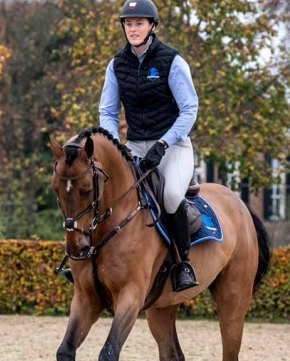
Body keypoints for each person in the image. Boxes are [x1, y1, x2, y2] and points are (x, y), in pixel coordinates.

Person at [99, 0, 199, 291]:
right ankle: (86, 261)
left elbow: (189, 110)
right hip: (134, 146)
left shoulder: (172, 61)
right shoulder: (116, 64)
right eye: (129, 24)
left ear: (152, 26)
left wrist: (164, 143)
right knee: (103, 191)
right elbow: (107, 112)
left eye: (139, 23)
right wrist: (116, 146)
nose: (133, 28)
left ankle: (184, 264)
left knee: (169, 196)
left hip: (174, 146)